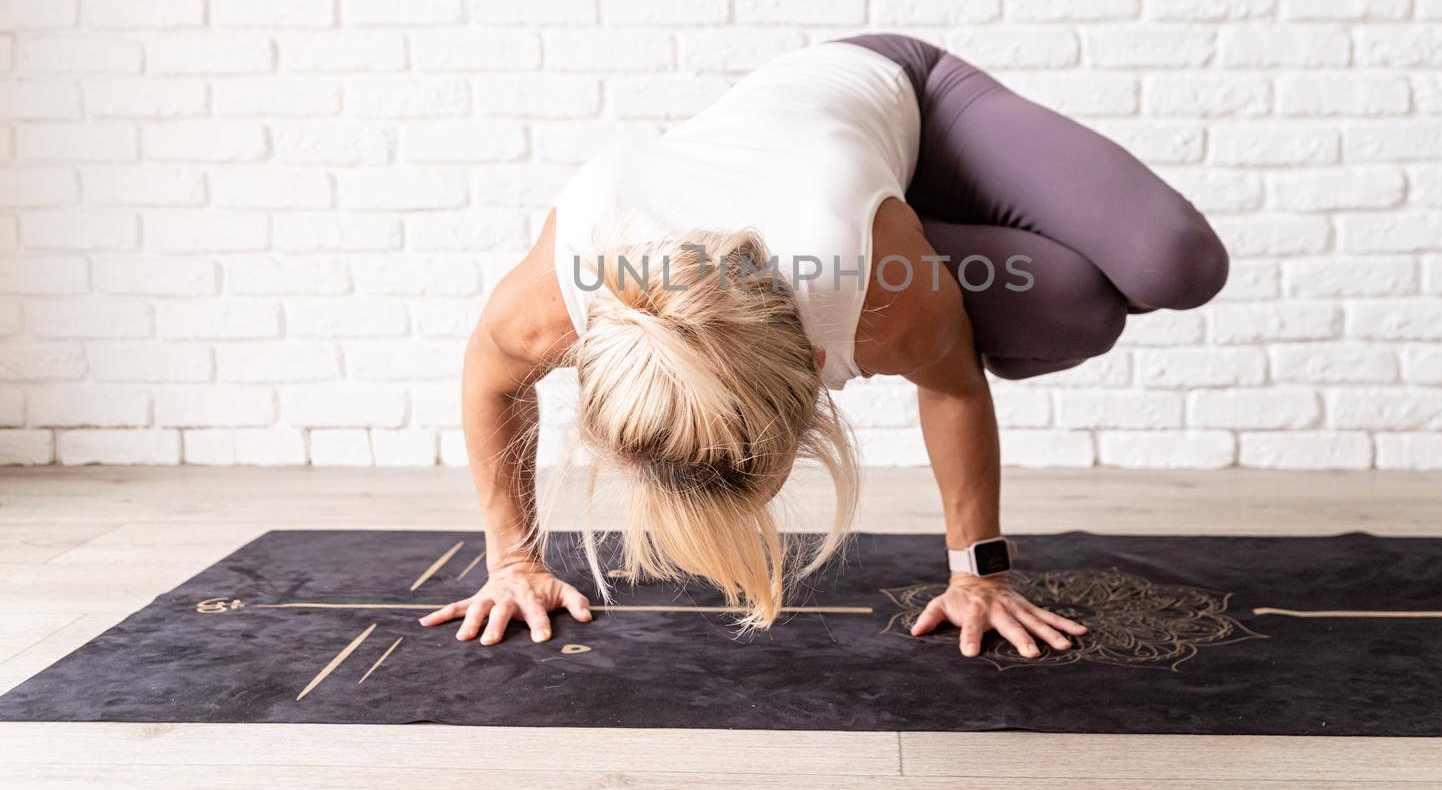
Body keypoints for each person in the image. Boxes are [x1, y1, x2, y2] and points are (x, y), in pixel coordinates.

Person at [419, 33, 1229, 660]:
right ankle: (909, 220)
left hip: (904, 98)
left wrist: (978, 572)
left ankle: (914, 214)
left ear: (815, 371)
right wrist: (513, 560)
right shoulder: (565, 292)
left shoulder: (875, 299)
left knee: (1170, 266)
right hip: (848, 193)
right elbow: (491, 380)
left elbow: (952, 387)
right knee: (1077, 301)